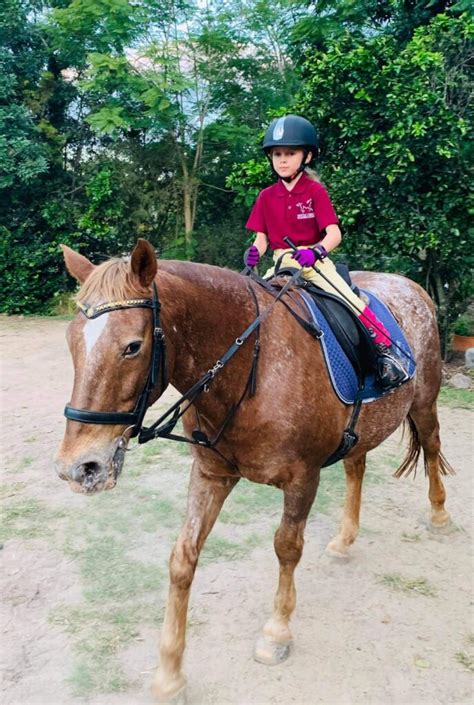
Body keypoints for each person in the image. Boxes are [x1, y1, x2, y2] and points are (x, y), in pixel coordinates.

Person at [244, 114, 409, 390]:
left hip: (314, 263)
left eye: (290, 153)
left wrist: (316, 252)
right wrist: (253, 252)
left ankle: (387, 354)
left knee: (351, 301)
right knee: (252, 305)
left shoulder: (314, 191)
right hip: (280, 263)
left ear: (306, 157)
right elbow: (261, 238)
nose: (282, 160)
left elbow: (334, 233)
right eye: (277, 154)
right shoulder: (266, 197)